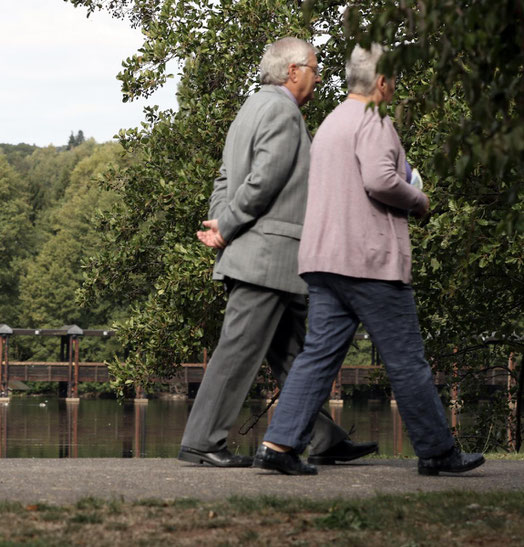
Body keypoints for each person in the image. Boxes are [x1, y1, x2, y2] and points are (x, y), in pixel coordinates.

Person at [254, 44, 485, 476]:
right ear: (381, 83)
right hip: (369, 262)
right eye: (394, 81)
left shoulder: (331, 123)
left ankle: (278, 445)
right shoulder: (376, 119)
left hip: (323, 261)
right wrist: (418, 199)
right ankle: (437, 451)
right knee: (406, 358)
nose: (395, 88)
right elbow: (380, 180)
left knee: (317, 355)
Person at [178, 37, 378, 468]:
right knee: (237, 353)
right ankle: (201, 441)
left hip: (268, 259)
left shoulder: (250, 108)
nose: (318, 76)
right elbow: (263, 181)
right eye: (314, 67)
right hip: (266, 260)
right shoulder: (284, 112)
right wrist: (227, 228)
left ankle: (324, 437)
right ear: (292, 71)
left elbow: (225, 179)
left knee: (295, 356)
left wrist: (220, 225)